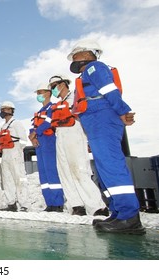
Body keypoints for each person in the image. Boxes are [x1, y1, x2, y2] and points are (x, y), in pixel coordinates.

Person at [67, 39, 144, 234]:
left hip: (103, 117)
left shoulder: (94, 67)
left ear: (86, 54)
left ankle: (129, 217)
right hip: (94, 122)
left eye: (75, 55)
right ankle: (117, 212)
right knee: (103, 170)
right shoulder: (87, 73)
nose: (73, 60)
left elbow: (109, 90)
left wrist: (122, 111)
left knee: (111, 165)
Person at [48, 74, 109, 216]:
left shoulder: (75, 98)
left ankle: (97, 207)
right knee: (65, 172)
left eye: (54, 86)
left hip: (74, 134)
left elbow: (84, 116)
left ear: (63, 84)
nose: (53, 90)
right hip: (60, 136)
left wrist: (88, 139)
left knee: (79, 170)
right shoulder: (57, 105)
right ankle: (76, 205)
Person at [28, 84, 64, 212]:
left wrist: (35, 132)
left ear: (48, 93)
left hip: (49, 141)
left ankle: (58, 203)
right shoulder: (37, 112)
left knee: (51, 171)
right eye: (37, 93)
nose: (38, 95)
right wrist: (33, 137)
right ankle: (49, 203)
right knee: (43, 174)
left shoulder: (52, 108)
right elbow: (32, 126)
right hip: (39, 143)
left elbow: (49, 122)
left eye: (41, 92)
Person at [0, 101, 29, 212]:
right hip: (5, 154)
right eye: (2, 109)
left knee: (19, 178)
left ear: (11, 110)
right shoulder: (3, 126)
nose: (3, 111)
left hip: (15, 152)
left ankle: (24, 204)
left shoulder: (17, 123)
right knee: (7, 179)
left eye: (5, 109)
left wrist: (18, 151)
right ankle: (11, 203)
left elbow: (23, 140)